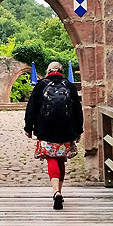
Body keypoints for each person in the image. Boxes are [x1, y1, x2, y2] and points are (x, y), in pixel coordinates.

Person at [24, 61, 83, 210]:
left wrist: (28, 127)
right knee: (61, 160)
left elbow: (31, 107)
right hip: (66, 128)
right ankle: (59, 191)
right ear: (61, 71)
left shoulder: (41, 85)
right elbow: (77, 108)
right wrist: (78, 130)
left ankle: (56, 191)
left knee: (51, 158)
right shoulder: (69, 85)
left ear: (48, 71)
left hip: (45, 128)